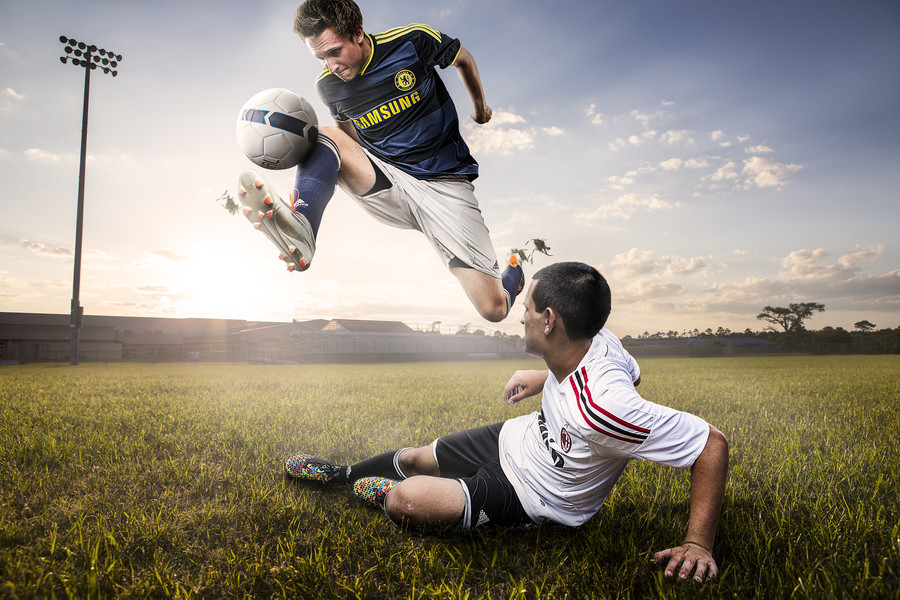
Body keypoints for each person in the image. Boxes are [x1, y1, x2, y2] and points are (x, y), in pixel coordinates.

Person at [284, 262, 730, 582]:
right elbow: (631, 372)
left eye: (529, 307)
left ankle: (386, 494)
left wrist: (698, 543)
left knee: (408, 500)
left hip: (535, 494)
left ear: (550, 321)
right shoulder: (599, 337)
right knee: (417, 456)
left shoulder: (602, 408)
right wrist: (547, 376)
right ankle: (339, 475)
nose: (521, 315)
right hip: (519, 438)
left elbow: (711, 443)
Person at [237, 0, 524, 322]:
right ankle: (303, 226)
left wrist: (481, 108)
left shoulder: (413, 41)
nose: (331, 66)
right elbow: (347, 136)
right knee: (322, 135)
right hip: (390, 180)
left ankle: (514, 275)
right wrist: (350, 168)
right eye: (320, 58)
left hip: (445, 184)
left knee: (493, 310)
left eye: (334, 52)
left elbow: (464, 60)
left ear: (358, 33)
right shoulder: (328, 85)